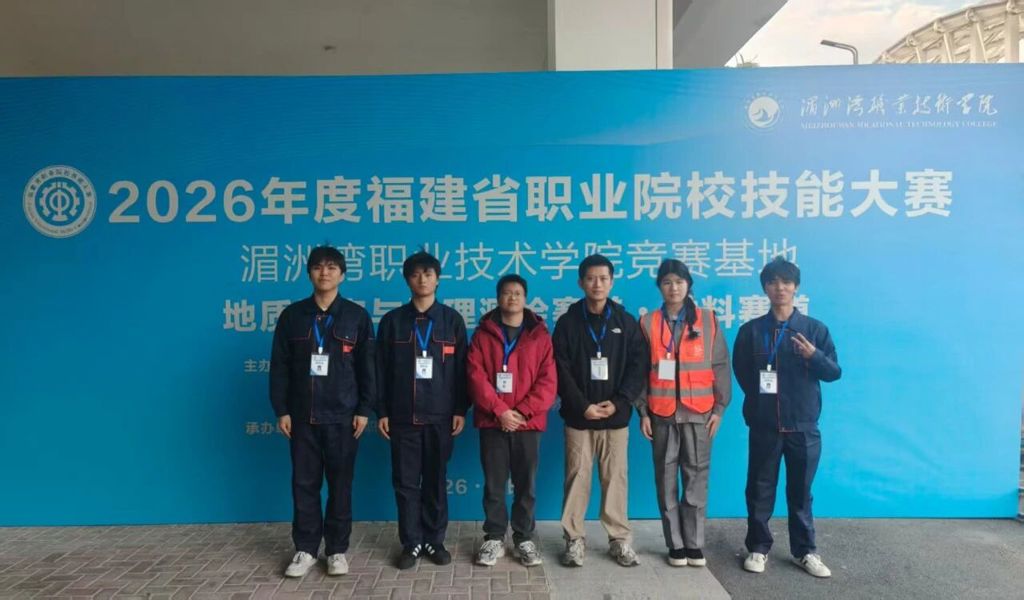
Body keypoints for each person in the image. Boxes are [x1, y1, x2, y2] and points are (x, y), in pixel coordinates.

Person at [269, 245, 376, 578]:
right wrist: (282, 409)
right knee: (304, 485)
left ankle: (337, 550)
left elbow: (367, 368)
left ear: (342, 274)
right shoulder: (292, 316)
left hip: (344, 418)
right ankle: (305, 549)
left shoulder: (356, 317)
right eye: (318, 267)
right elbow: (280, 367)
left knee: (341, 486)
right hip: (302, 418)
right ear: (309, 273)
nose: (324, 272)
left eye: (331, 267)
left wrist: (364, 409)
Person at [732, 257, 842, 578]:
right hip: (765, 425)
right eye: (773, 282)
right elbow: (742, 372)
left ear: (796, 287)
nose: (779, 288)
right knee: (759, 489)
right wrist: (760, 405)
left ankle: (805, 551)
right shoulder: (751, 331)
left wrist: (814, 356)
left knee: (801, 492)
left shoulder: (814, 330)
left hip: (803, 426)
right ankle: (758, 547)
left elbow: (834, 372)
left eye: (786, 282)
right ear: (765, 288)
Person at [552, 254, 648, 567]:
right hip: (579, 418)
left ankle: (619, 539)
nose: (597, 284)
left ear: (612, 282)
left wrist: (620, 401)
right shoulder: (568, 323)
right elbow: (560, 368)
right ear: (581, 282)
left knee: (615, 479)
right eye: (591, 278)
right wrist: (582, 406)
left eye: (603, 278)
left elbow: (638, 365)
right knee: (577, 478)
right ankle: (574, 539)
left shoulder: (625, 322)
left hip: (615, 418)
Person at [376, 251, 468, 570]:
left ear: (438, 279)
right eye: (415, 274)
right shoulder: (392, 322)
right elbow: (380, 370)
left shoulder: (452, 321)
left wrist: (460, 409)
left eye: (428, 274)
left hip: (441, 418)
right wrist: (382, 411)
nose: (422, 279)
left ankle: (434, 540)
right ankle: (411, 542)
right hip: (403, 417)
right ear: (407, 280)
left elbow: (462, 371)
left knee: (435, 481)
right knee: (405, 483)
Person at [637, 259, 731, 568]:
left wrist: (719, 408)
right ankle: (675, 544)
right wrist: (643, 412)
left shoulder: (708, 320)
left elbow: (720, 365)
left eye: (679, 281)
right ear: (659, 287)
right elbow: (639, 371)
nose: (673, 288)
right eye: (667, 282)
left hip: (699, 413)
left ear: (688, 284)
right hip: (661, 414)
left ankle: (694, 544)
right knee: (666, 480)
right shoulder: (648, 322)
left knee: (696, 478)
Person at [467, 274, 557, 568]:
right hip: (493, 422)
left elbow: (548, 382)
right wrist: (500, 411)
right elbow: (475, 376)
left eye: (518, 293)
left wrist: (521, 413)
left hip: (527, 424)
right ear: (498, 298)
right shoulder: (482, 335)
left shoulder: (540, 336)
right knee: (494, 484)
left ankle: (523, 538)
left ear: (525, 298)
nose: (512, 297)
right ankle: (494, 538)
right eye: (507, 292)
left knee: (525, 484)